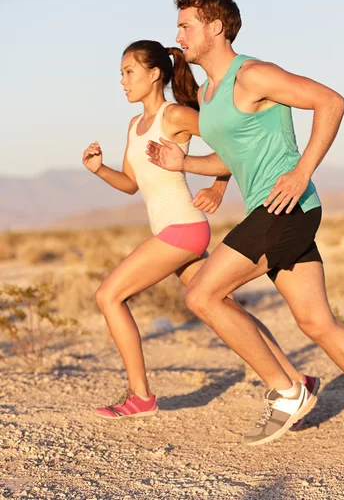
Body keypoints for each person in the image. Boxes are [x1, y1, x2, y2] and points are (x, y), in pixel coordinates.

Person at [146, 0, 344, 460]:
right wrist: (185, 163)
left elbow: (332, 102)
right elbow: (232, 155)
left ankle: (287, 390)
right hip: (271, 211)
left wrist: (301, 171)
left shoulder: (254, 75)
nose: (177, 36)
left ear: (215, 28)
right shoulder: (209, 93)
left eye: (186, 26)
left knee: (202, 294)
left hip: (286, 207)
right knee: (315, 322)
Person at [82, 39, 317, 422]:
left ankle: (140, 396)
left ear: (155, 74)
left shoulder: (174, 116)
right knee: (223, 305)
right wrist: (99, 169)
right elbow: (130, 183)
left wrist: (218, 185)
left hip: (184, 229)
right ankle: (296, 377)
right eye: (121, 74)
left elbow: (230, 147)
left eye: (129, 72)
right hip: (173, 229)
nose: (123, 81)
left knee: (108, 295)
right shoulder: (134, 126)